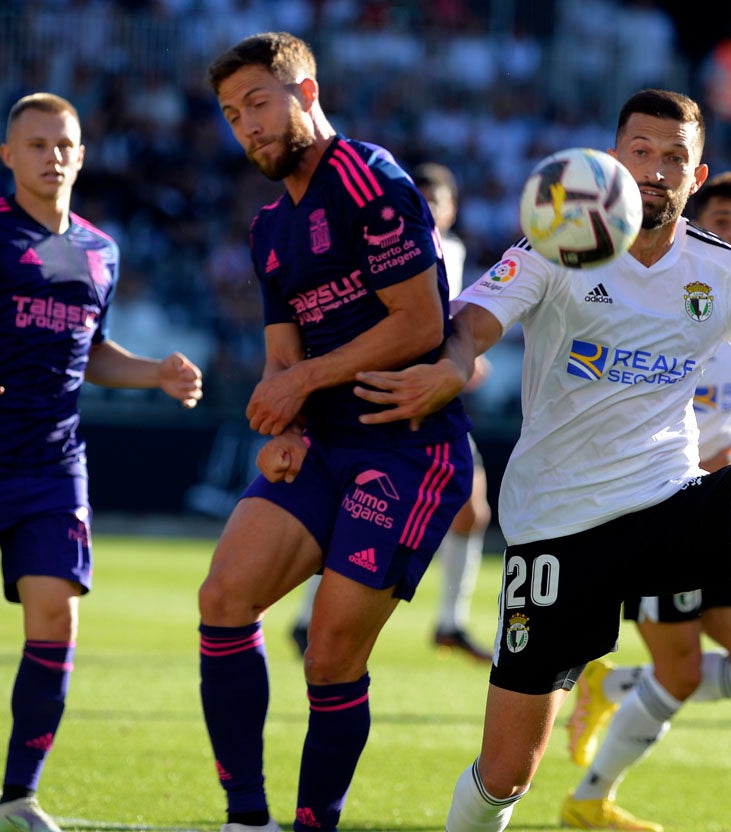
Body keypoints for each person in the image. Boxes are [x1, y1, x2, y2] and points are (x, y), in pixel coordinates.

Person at [355, 89, 731, 832]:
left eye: (673, 156)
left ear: (695, 175)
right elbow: (473, 321)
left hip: (665, 505)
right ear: (611, 162)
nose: (655, 169)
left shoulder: (725, 274)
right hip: (558, 531)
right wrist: (451, 362)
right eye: (640, 152)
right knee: (508, 771)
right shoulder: (560, 244)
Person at [198, 32, 472, 832]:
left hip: (406, 448)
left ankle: (315, 821)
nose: (246, 125)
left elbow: (420, 324)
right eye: (230, 114)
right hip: (321, 445)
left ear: (306, 93)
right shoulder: (266, 229)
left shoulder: (367, 177)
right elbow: (281, 353)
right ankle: (245, 819)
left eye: (258, 103)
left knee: (328, 655)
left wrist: (302, 383)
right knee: (223, 598)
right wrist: (280, 418)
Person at [0, 92, 203, 832]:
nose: (53, 156)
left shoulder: (102, 249)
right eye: (36, 144)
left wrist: (155, 375)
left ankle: (17, 798)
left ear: (81, 152)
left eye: (64, 143)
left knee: (55, 622)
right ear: (8, 155)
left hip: (52, 464)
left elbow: (91, 351)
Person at [560, 171, 731, 832]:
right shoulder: (667, 305)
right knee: (681, 672)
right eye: (720, 221)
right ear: (696, 221)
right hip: (666, 512)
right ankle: (589, 799)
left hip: (725, 516)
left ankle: (608, 685)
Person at [289, 161, 492, 663]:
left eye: (434, 202)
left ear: (451, 209)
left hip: (431, 397)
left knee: (471, 511)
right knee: (354, 505)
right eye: (417, 200)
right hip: (382, 393)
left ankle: (450, 622)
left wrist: (465, 357)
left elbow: (450, 320)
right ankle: (305, 616)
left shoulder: (456, 251)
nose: (424, 211)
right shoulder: (384, 245)